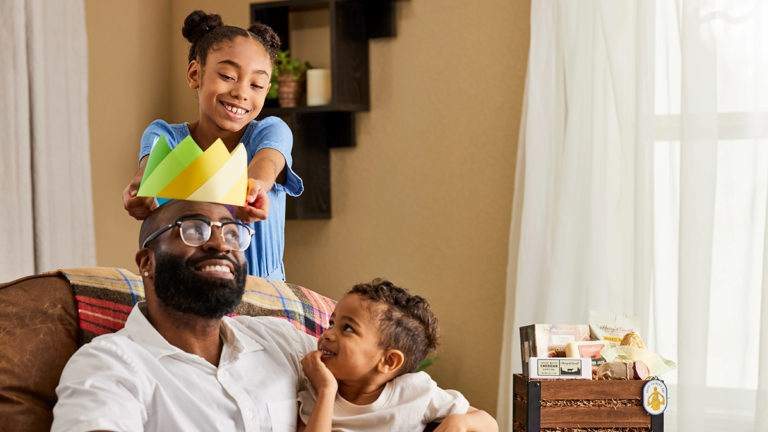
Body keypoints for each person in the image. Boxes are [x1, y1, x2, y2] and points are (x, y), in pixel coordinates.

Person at [52, 200, 316, 431]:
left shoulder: (284, 341)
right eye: (192, 230)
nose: (220, 244)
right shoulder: (108, 364)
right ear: (147, 263)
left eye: (232, 233)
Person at [122, 10, 301, 281]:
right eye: (228, 76)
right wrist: (140, 192)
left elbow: (267, 163)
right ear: (195, 74)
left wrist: (254, 189)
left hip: (264, 296)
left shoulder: (271, 131)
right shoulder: (165, 135)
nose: (241, 92)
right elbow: (147, 174)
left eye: (256, 84)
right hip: (190, 288)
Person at [298, 279, 498, 432]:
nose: (327, 334)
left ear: (388, 361)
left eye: (347, 328)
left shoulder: (414, 391)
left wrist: (460, 421)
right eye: (332, 323)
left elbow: (490, 424)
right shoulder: (315, 391)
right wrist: (326, 390)